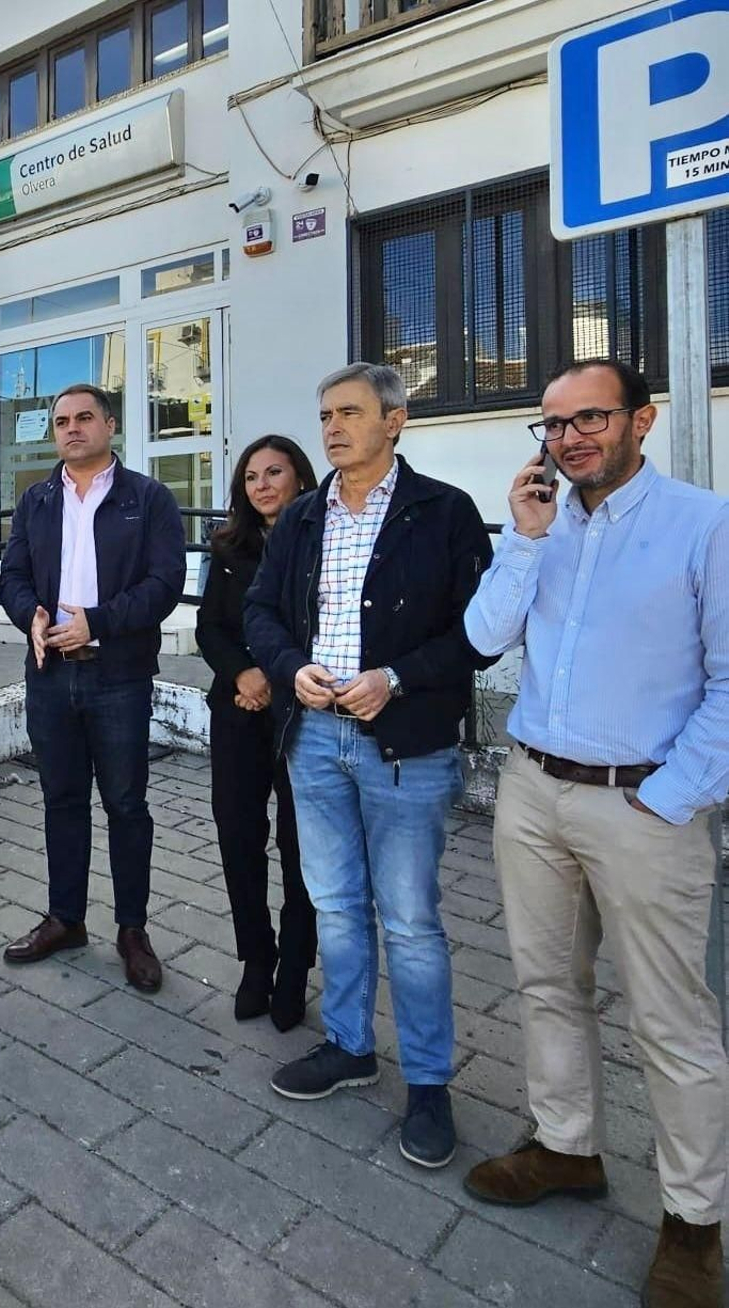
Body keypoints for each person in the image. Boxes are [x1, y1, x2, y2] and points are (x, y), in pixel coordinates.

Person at [462, 360, 729, 1308]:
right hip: (535, 792)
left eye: (590, 419)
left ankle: (694, 1221)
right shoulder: (546, 527)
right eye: (554, 425)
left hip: (644, 805)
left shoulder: (703, 524)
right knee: (545, 986)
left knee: (672, 1022)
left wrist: (673, 795)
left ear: (642, 420)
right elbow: (484, 637)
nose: (569, 439)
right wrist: (524, 542)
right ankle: (567, 1147)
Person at [244, 362, 493, 1170]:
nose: (331, 428)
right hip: (315, 739)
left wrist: (398, 678)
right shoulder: (304, 517)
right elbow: (261, 613)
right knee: (337, 905)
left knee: (411, 920)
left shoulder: (444, 514)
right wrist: (290, 668)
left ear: (396, 420)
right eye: (324, 415)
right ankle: (350, 1047)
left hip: (404, 746)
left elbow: (477, 633)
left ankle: (427, 1082)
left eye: (349, 412)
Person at [0, 383, 185, 992]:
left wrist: (95, 624)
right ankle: (66, 918)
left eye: (84, 418)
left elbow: (165, 584)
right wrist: (33, 616)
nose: (71, 428)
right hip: (51, 674)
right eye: (61, 421)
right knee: (61, 800)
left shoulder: (149, 498)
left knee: (127, 806)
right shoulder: (35, 501)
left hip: (117, 676)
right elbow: (15, 576)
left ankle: (132, 930)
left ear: (110, 424)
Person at [196, 434, 318, 1030]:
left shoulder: (322, 537)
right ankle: (256, 956)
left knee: (300, 846)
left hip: (302, 710)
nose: (263, 485)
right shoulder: (226, 545)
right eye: (251, 477)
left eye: (274, 472)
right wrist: (241, 672)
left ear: (299, 477)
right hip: (240, 708)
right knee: (239, 835)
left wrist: (280, 675)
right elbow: (208, 627)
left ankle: (295, 966)